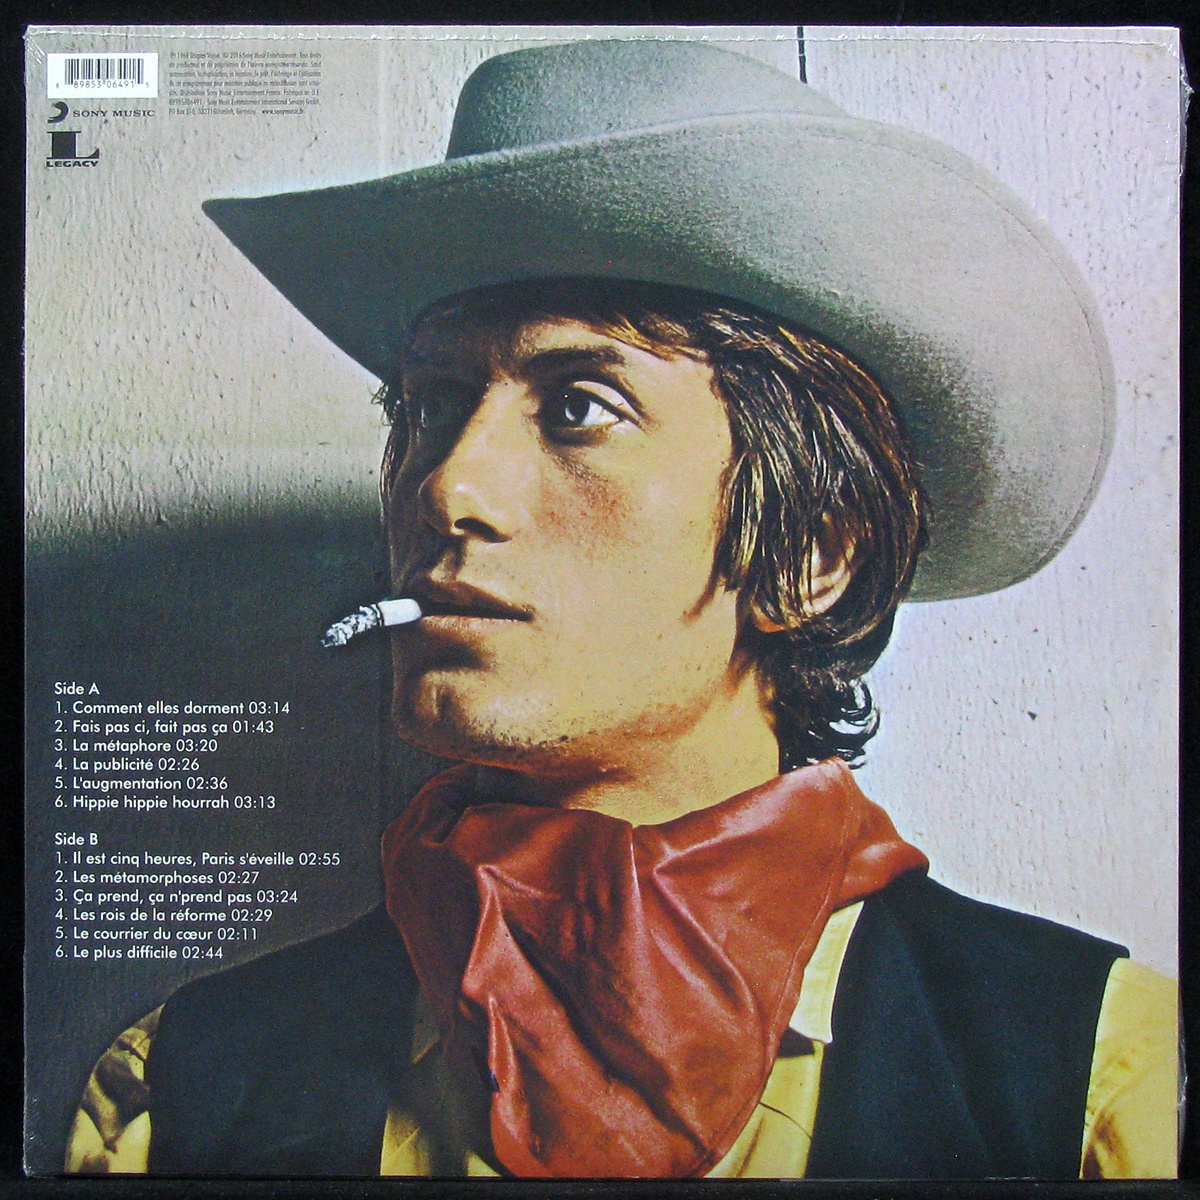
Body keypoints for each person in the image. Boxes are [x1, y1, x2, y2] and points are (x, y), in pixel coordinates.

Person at [64, 38, 1176, 1179]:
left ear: (814, 552)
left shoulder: (1094, 1077)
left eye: (581, 409)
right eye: (432, 405)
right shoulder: (188, 1088)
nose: (447, 487)